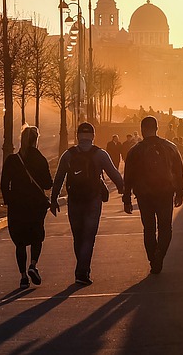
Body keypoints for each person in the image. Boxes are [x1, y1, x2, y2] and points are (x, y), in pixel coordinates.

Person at [50, 121, 124, 286]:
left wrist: (53, 199)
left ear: (77, 136)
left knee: (78, 236)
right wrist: (123, 190)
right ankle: (83, 271)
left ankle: (81, 268)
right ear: (93, 136)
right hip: (93, 200)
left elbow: (59, 178)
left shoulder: (68, 155)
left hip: (74, 200)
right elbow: (114, 174)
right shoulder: (100, 154)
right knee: (89, 237)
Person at [123, 116, 183, 274]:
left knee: (149, 228)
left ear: (142, 130)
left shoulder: (135, 151)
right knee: (165, 228)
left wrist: (127, 200)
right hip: (165, 193)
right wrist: (180, 193)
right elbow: (179, 172)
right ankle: (159, 257)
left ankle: (153, 259)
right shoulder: (170, 147)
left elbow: (128, 177)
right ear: (157, 128)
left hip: (144, 195)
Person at [0, 125, 53, 289]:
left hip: (17, 206)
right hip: (36, 205)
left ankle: (23, 277)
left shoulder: (12, 159)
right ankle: (33, 265)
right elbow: (47, 183)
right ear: (36, 140)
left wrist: (9, 200)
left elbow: (4, 184)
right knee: (37, 236)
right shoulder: (40, 159)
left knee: (20, 242)